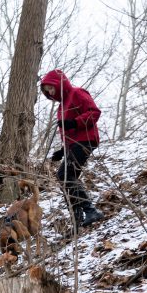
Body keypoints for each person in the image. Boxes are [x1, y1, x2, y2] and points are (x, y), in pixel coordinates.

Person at [39, 69, 105, 229]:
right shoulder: (61, 107)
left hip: (86, 140)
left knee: (65, 175)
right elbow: (67, 133)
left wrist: (74, 122)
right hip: (73, 144)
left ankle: (90, 211)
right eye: (48, 91)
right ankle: (77, 218)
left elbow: (94, 112)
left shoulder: (77, 93)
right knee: (66, 177)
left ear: (59, 84)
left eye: (52, 88)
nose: (51, 93)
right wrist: (63, 151)